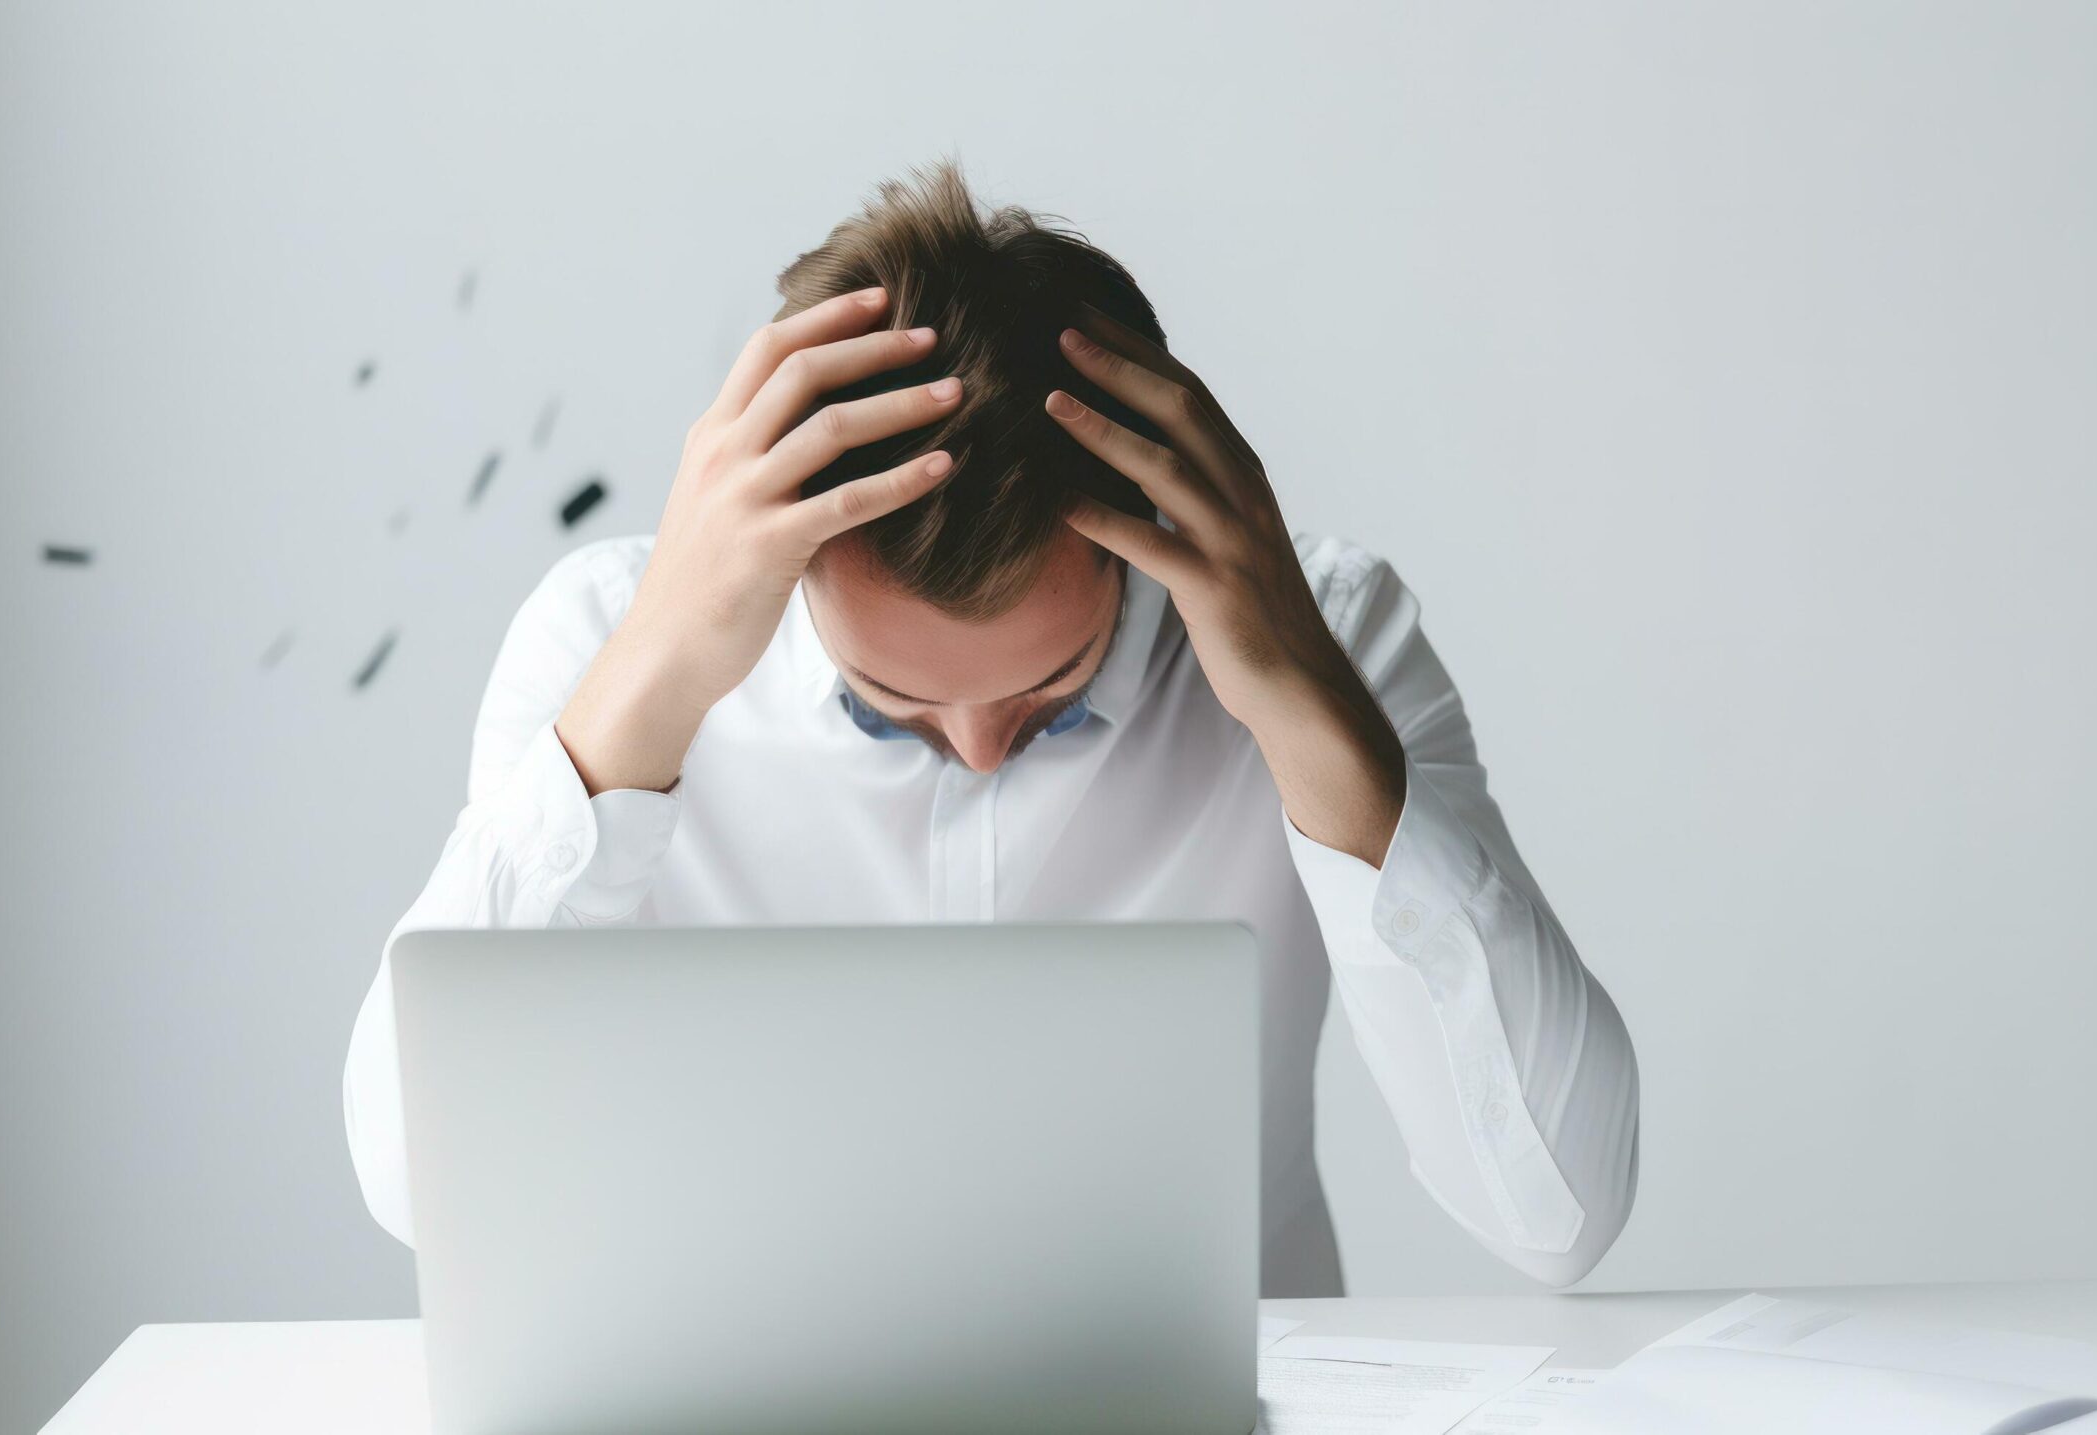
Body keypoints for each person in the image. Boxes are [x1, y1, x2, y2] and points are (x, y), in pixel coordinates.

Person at [343, 161, 1638, 1294]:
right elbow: (419, 1191)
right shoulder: (607, 646)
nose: (973, 751)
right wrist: (643, 701)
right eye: (888, 704)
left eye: (1053, 691)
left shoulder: (1317, 631)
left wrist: (1313, 715)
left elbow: (1557, 1220)